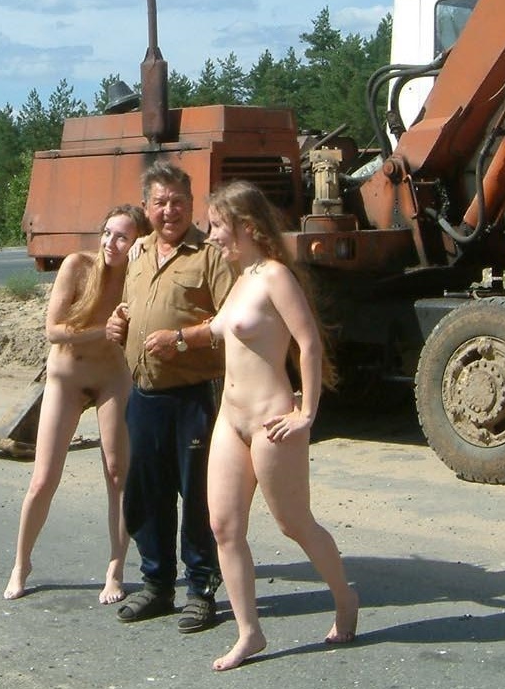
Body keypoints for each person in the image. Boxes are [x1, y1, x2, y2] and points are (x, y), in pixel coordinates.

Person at [203, 180, 358, 671]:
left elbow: (308, 343)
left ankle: (345, 599)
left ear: (246, 226)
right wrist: (170, 337)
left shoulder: (274, 276)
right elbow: (216, 330)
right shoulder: (238, 277)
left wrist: (306, 412)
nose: (212, 236)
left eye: (218, 226)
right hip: (230, 420)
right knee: (224, 526)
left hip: (271, 421)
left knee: (294, 523)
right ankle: (249, 632)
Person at [105, 160, 235, 633]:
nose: (169, 211)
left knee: (198, 498)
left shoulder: (210, 256)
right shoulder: (139, 252)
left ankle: (201, 591)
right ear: (146, 207)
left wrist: (181, 340)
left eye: (178, 201)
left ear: (191, 204)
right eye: (160, 202)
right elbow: (132, 307)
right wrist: (118, 323)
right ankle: (157, 585)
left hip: (192, 398)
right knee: (146, 493)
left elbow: (231, 321)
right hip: (144, 395)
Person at [4, 203, 151, 604]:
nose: (111, 243)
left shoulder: (138, 277)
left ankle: (115, 569)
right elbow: (54, 330)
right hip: (67, 379)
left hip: (112, 379)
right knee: (43, 478)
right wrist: (104, 330)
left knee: (118, 474)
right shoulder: (78, 266)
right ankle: (21, 564)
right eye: (108, 233)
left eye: (123, 237)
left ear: (138, 242)